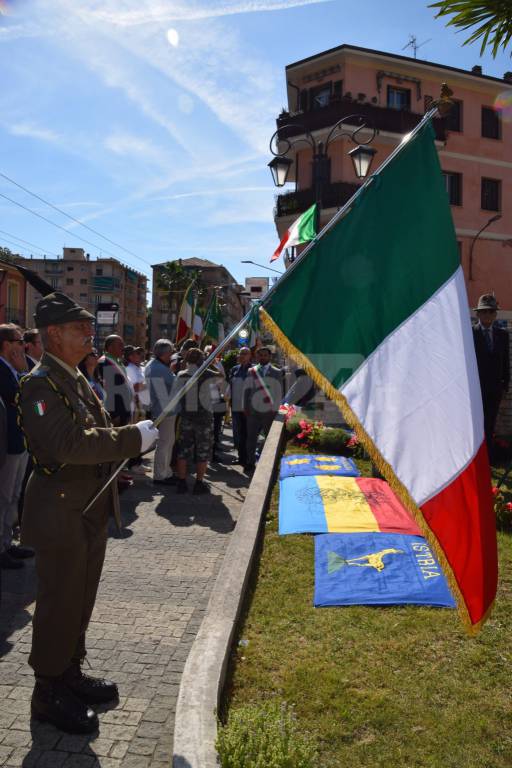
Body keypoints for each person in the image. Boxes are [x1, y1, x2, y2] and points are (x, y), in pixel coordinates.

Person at [18, 292, 158, 734]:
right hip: (61, 510)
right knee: (60, 601)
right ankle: (48, 691)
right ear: (54, 335)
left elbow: (92, 432)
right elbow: (69, 445)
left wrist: (129, 437)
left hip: (87, 506)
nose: (89, 333)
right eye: (80, 328)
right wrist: (132, 440)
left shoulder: (74, 378)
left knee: (80, 597)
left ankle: (70, 672)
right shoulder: (40, 384)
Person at [0, 324, 32, 569]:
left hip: (20, 441)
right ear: (6, 344)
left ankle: (8, 543)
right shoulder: (3, 369)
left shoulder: (17, 369)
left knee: (14, 495)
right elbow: (18, 398)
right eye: (19, 341)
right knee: (4, 496)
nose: (23, 345)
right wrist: (22, 371)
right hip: (8, 443)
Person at [173, 347, 220, 494]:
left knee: (183, 450)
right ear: (202, 360)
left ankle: (181, 482)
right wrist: (209, 364)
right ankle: (199, 483)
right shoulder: (207, 373)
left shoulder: (181, 374)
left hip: (186, 417)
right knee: (203, 452)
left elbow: (175, 395)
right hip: (204, 419)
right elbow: (222, 377)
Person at [472, 294, 510, 458]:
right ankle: (475, 457)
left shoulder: (502, 335)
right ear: (478, 314)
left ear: (495, 314)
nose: (487, 315)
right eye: (484, 312)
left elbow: (505, 360)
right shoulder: (470, 334)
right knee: (475, 424)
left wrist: (505, 384)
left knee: (490, 422)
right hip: (476, 389)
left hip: (494, 389)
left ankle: (488, 455)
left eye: (491, 311)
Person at [244, 346, 283, 473]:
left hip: (269, 412)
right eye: (260, 355)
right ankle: (250, 462)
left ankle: (266, 463)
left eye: (265, 355)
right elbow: (247, 390)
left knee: (269, 439)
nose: (263, 357)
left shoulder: (277, 372)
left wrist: (275, 409)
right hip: (253, 412)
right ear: (257, 357)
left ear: (270, 357)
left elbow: (279, 392)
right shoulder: (251, 371)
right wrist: (245, 407)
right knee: (251, 438)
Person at [145, 339, 178, 485]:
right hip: (164, 410)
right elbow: (175, 384)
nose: (172, 355)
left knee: (167, 442)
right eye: (170, 352)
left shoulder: (156, 365)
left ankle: (166, 472)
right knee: (165, 443)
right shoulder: (158, 368)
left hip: (164, 409)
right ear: (164, 353)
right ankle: (160, 475)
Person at [97, 335, 133, 427]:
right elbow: (109, 389)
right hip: (116, 414)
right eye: (120, 345)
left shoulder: (116, 361)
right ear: (110, 347)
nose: (123, 348)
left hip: (124, 410)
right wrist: (114, 414)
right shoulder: (104, 362)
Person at [228, 346, 252, 466]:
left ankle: (248, 458)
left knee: (248, 433)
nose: (242, 356)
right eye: (240, 353)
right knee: (237, 432)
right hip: (236, 406)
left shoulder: (254, 370)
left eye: (245, 354)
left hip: (249, 407)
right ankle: (241, 456)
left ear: (250, 356)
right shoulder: (234, 369)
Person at [204, 344, 227, 462]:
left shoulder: (218, 364)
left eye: (213, 352)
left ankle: (213, 450)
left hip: (217, 395)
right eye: (209, 352)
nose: (211, 354)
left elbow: (222, 379)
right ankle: (206, 452)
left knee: (217, 425)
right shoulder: (203, 365)